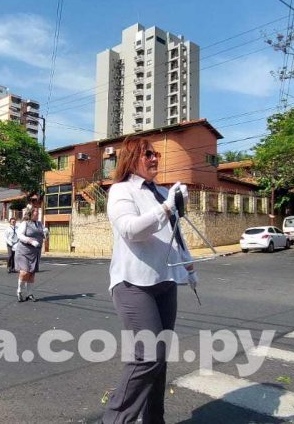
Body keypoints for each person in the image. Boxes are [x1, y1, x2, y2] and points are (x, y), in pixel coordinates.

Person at [102, 136, 197, 424]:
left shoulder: (161, 191)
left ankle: (155, 420)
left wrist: (189, 266)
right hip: (132, 284)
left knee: (160, 359)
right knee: (148, 357)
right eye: (148, 154)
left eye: (156, 154)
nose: (155, 159)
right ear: (132, 159)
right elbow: (131, 230)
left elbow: (174, 232)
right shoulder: (121, 191)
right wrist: (168, 207)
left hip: (164, 281)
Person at [14, 206, 44, 302]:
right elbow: (20, 235)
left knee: (31, 274)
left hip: (35, 252)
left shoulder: (39, 224)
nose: (38, 216)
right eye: (36, 214)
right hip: (24, 251)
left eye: (38, 214)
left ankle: (29, 293)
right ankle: (19, 291)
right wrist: (30, 241)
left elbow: (41, 233)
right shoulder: (25, 223)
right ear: (31, 214)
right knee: (24, 272)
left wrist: (45, 233)